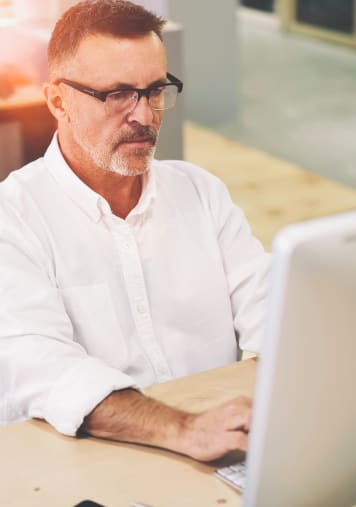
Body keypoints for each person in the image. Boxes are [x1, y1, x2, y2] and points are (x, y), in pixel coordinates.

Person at [0, 0, 270, 462]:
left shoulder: (201, 193)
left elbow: (273, 313)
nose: (144, 116)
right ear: (57, 101)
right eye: (117, 94)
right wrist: (184, 430)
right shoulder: (14, 218)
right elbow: (41, 369)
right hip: (88, 462)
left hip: (219, 447)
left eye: (155, 90)